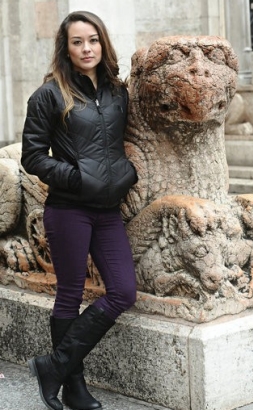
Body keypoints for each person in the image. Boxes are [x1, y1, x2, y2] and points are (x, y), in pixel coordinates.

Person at [21, 10, 138, 410]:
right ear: (65, 48)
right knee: (69, 294)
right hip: (68, 208)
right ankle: (75, 387)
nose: (86, 48)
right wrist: (77, 178)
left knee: (123, 291)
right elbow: (32, 158)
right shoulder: (49, 94)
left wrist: (130, 172)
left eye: (92, 40)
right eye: (77, 42)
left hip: (107, 211)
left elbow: (126, 141)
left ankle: (53, 365)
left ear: (102, 43)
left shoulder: (117, 92)